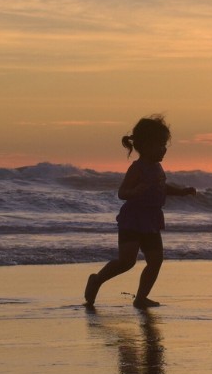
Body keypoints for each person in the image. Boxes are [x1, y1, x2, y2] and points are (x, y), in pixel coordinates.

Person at [84, 116, 196, 309]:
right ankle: (97, 279)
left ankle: (141, 297)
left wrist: (181, 191)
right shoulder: (137, 168)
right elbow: (122, 192)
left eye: (165, 144)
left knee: (156, 260)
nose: (164, 149)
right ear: (145, 145)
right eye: (160, 145)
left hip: (151, 220)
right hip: (133, 219)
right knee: (126, 261)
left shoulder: (158, 167)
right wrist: (135, 191)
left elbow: (162, 187)